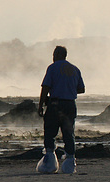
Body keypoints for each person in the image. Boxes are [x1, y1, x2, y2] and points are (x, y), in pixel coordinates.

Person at [36, 45, 85, 174]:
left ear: (57, 55)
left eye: (53, 54)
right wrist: (68, 89)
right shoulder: (75, 69)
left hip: (55, 104)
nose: (52, 57)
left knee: (50, 132)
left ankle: (50, 163)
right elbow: (81, 89)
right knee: (69, 133)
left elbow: (46, 87)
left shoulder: (52, 68)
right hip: (70, 104)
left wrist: (41, 105)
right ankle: (69, 164)